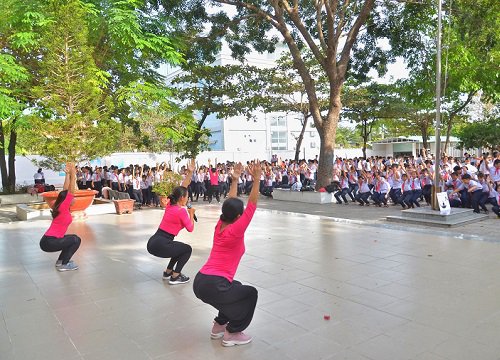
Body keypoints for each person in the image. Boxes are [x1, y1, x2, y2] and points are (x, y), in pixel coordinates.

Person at [193, 161, 261, 347]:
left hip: (201, 281)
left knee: (235, 286)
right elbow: (252, 205)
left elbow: (229, 203)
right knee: (250, 294)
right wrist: (256, 180)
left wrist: (235, 180)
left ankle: (218, 326)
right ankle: (233, 332)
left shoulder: (220, 225)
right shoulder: (236, 230)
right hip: (214, 284)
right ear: (238, 218)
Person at [147, 159, 196, 285]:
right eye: (187, 196)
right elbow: (190, 228)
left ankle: (168, 272)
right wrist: (191, 214)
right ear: (182, 198)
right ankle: (175, 276)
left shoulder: (170, 205)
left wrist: (189, 173)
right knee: (187, 249)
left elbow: (182, 188)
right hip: (161, 244)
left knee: (179, 248)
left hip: (153, 242)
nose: (188, 198)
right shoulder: (181, 211)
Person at [39, 162, 81, 271]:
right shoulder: (62, 208)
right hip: (49, 242)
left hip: (48, 241)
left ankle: (60, 261)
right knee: (76, 240)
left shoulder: (61, 207)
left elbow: (65, 189)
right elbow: (71, 190)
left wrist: (67, 174)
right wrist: (73, 173)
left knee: (73, 237)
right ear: (67, 199)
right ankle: (64, 265)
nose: (74, 199)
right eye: (72, 198)